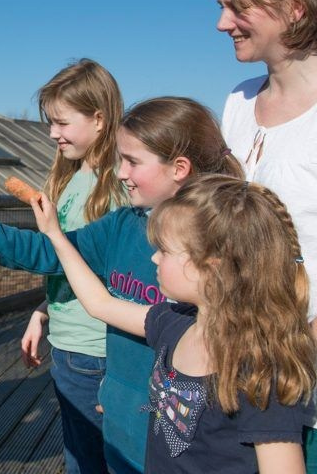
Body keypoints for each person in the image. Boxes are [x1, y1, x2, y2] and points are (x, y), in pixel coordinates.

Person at [0, 96, 242, 474]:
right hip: (122, 420)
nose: (121, 173)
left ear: (179, 168)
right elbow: (51, 254)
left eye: (133, 162)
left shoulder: (221, 243)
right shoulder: (123, 225)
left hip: (181, 439)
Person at [26, 174, 317, 473]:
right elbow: (100, 304)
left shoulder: (261, 372)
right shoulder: (173, 324)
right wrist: (55, 235)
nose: (153, 258)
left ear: (210, 267)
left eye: (164, 250)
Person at [216, 0, 317, 469]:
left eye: (237, 8)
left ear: (294, 8)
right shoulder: (237, 101)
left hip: (302, 382)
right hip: (237, 369)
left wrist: (292, 354)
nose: (221, 23)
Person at [18, 58, 127, 473]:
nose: (51, 133)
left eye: (62, 122)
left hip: (94, 350)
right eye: (50, 122)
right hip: (69, 342)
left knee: (92, 460)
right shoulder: (71, 177)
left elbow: (99, 266)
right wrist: (41, 312)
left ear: (99, 119)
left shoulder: (115, 186)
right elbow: (71, 263)